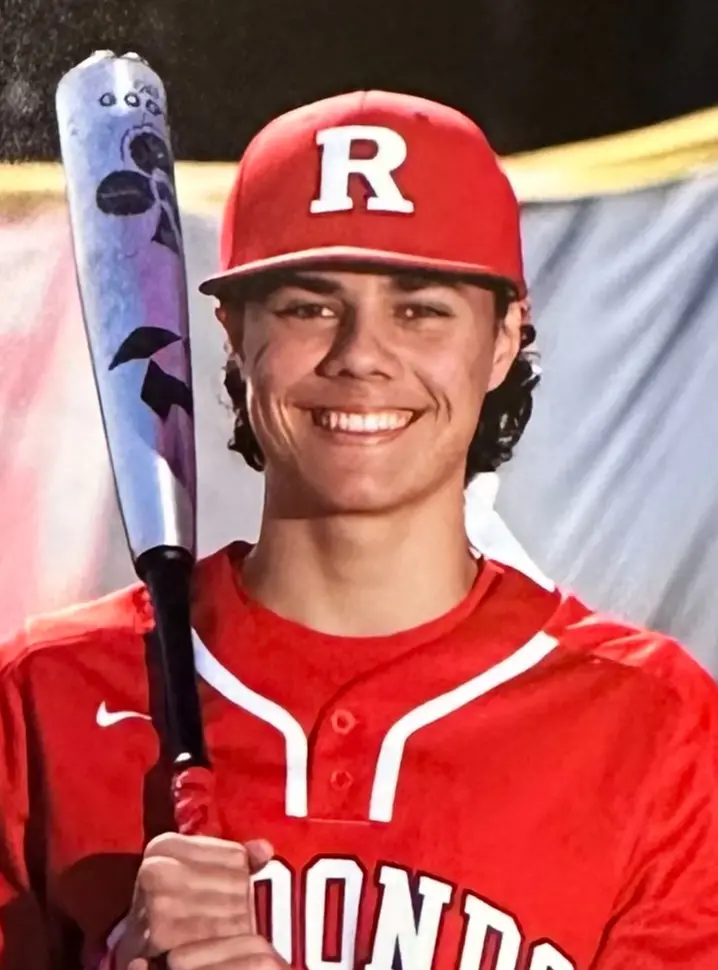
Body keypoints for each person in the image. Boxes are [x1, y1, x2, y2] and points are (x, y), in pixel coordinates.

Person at [1, 89, 717, 970]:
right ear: (232, 334)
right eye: (309, 306)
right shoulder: (50, 692)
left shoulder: (651, 721)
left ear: (504, 338)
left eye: (420, 309)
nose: (361, 355)